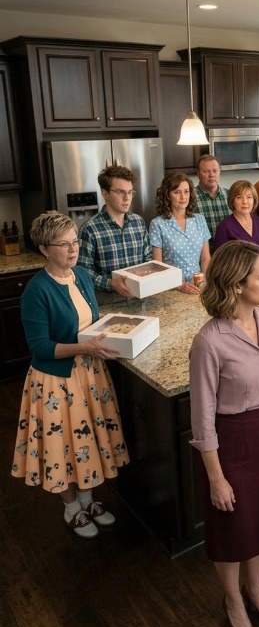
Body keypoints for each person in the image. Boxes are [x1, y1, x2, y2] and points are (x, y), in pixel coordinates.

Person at [189, 240, 259, 627]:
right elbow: (202, 419)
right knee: (232, 527)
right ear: (237, 284)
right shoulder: (209, 341)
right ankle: (233, 601)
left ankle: (257, 591)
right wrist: (216, 478)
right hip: (230, 443)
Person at [11, 211, 129, 539]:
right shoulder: (36, 290)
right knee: (61, 445)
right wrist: (84, 348)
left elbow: (91, 319)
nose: (73, 249)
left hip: (89, 373)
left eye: (74, 241)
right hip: (56, 381)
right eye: (63, 244)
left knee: (86, 440)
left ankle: (88, 500)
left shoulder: (81, 276)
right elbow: (40, 347)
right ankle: (71, 507)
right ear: (44, 249)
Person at [78, 165, 152, 297]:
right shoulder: (90, 229)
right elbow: (82, 271)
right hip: (108, 302)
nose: (127, 198)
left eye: (130, 192)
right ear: (105, 194)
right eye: (120, 192)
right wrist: (110, 283)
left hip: (140, 297)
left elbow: (148, 258)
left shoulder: (139, 222)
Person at [149, 172, 211, 295]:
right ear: (167, 195)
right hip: (171, 289)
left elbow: (205, 258)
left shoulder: (199, 220)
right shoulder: (157, 224)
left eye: (186, 192)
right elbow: (158, 265)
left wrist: (206, 282)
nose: (183, 197)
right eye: (177, 192)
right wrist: (179, 285)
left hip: (199, 286)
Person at [214, 180, 259, 253]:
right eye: (239, 197)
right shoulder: (224, 227)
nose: (245, 202)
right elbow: (221, 257)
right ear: (233, 201)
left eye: (249, 197)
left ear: (254, 200)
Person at [195, 154, 230, 250]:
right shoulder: (189, 198)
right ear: (198, 174)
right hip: (201, 254)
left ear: (219, 172)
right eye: (206, 171)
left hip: (227, 254)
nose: (211, 175)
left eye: (215, 171)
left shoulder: (231, 195)